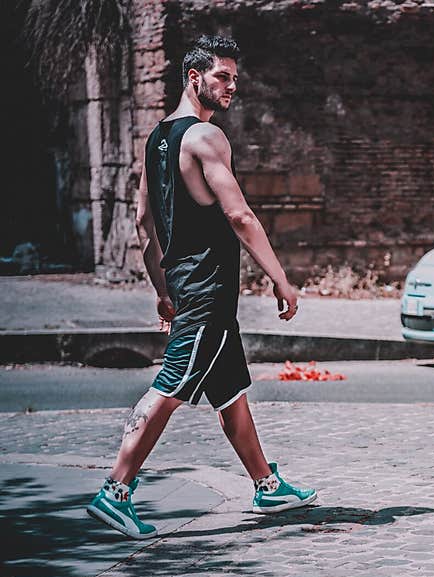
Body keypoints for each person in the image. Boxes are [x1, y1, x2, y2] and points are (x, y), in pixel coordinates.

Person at [86, 35, 316, 540]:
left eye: (235, 78)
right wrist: (281, 278)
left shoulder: (157, 139)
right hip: (209, 291)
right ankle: (115, 490)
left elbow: (145, 221)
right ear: (195, 79)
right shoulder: (206, 139)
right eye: (222, 77)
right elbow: (238, 213)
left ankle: (267, 484)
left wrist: (163, 289)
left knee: (230, 390)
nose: (232, 86)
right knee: (170, 386)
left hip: (189, 287)